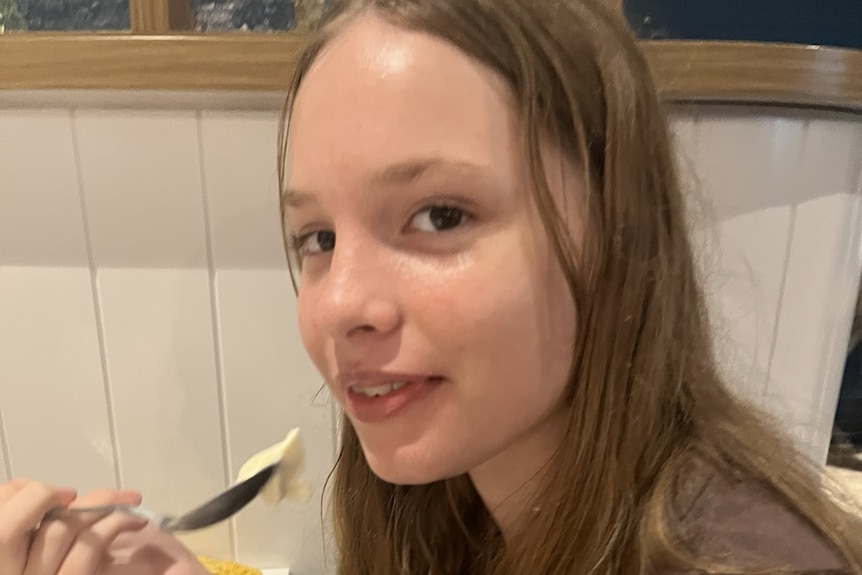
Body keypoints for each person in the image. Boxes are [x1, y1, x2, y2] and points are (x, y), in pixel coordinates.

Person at [3, 0, 862, 573]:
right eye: (318, 237)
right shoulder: (455, 498)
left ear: (618, 228)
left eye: (440, 216)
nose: (340, 305)